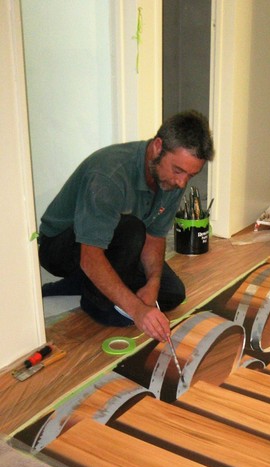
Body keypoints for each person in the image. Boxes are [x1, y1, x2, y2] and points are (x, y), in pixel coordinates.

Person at [38, 110, 214, 342]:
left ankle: (81, 283)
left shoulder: (171, 181)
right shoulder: (108, 175)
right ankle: (94, 301)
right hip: (62, 247)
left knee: (171, 294)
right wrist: (138, 310)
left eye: (190, 175)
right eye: (178, 170)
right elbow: (90, 256)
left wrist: (152, 283)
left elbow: (155, 236)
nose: (182, 182)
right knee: (132, 229)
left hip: (114, 244)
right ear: (157, 147)